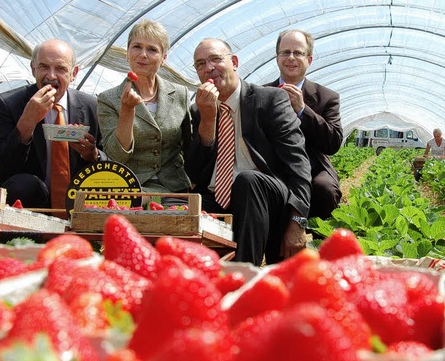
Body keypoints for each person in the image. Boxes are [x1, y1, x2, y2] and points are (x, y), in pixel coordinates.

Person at [186, 38, 311, 266]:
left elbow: (298, 164)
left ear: (234, 62)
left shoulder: (270, 99)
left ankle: (243, 274)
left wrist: (297, 222)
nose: (208, 68)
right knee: (177, 206)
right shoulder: (198, 110)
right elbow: (195, 172)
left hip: (265, 194)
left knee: (248, 181)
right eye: (200, 64)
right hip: (218, 196)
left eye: (215, 59)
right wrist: (207, 119)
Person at [0, 39, 104, 212]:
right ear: (33, 69)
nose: (51, 76)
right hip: (32, 198)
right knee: (24, 186)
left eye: (60, 69)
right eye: (44, 67)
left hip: (77, 200)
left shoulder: (91, 106)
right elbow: (1, 166)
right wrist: (27, 121)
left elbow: (109, 160)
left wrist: (93, 154)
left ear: (73, 73)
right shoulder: (9, 104)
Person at [98, 19, 192, 196]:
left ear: (163, 58)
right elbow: (117, 155)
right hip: (130, 188)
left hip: (175, 188)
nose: (143, 54)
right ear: (127, 52)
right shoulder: (108, 99)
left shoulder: (181, 94)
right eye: (137, 47)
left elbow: (189, 144)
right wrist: (127, 110)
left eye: (152, 49)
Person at [263, 29, 342, 220]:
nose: (291, 58)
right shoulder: (260, 94)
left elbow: (332, 143)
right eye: (285, 52)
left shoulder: (326, 97)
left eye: (298, 53)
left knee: (324, 189)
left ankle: (322, 245)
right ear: (277, 58)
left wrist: (302, 109)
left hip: (313, 168)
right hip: (272, 167)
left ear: (309, 59)